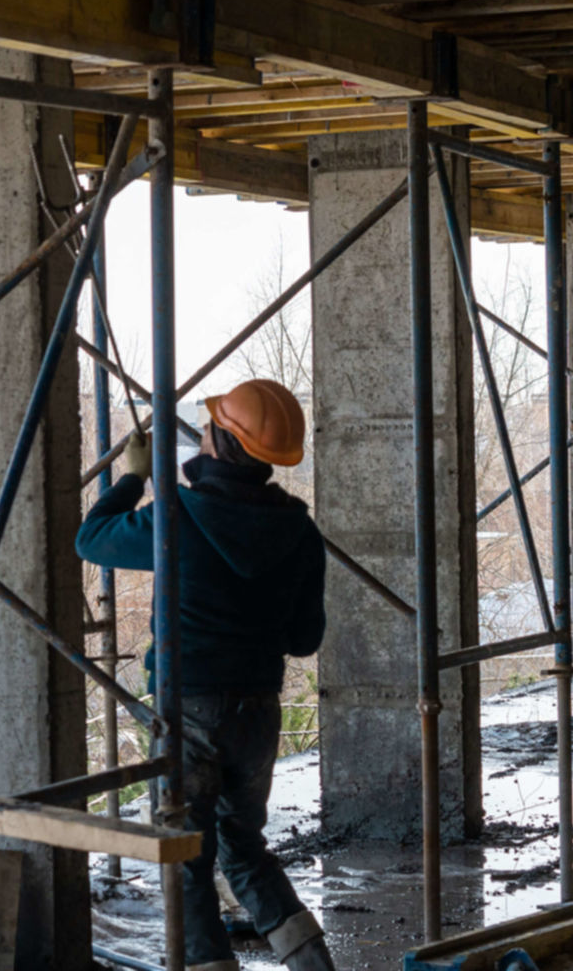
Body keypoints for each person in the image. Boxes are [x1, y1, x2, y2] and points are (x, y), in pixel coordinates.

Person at [76, 378, 333, 971]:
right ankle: (315, 966)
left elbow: (89, 540)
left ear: (218, 439)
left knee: (186, 855)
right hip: (258, 711)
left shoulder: (178, 515)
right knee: (245, 849)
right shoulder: (300, 531)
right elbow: (304, 639)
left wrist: (134, 476)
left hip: (186, 706)